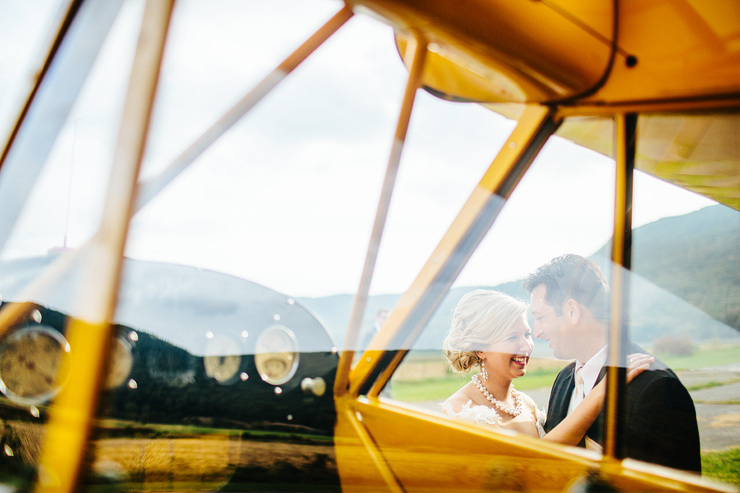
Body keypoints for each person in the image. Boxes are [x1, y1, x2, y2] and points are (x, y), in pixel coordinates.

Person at [523, 254, 701, 472]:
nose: (537, 332)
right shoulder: (563, 380)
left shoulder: (656, 387)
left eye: (540, 318)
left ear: (572, 311)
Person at [441, 289, 652, 445]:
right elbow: (535, 462)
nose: (526, 346)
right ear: (480, 349)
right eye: (512, 337)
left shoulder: (527, 404)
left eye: (527, 334)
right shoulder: (461, 410)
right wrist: (603, 392)